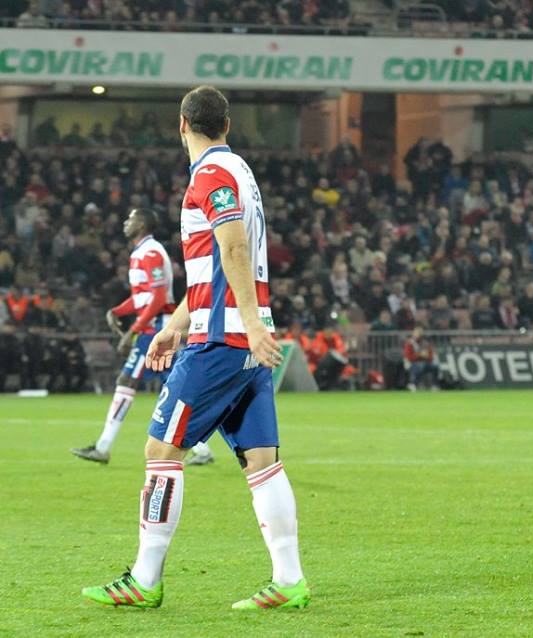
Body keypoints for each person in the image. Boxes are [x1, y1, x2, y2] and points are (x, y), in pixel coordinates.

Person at [82, 86, 309, 610]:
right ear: (226, 125)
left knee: (161, 450)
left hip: (224, 341)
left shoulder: (209, 177)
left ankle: (144, 580)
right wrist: (176, 324)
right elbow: (214, 269)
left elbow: (232, 246)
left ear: (181, 124)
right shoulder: (241, 173)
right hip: (234, 336)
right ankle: (289, 579)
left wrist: (247, 324)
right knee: (263, 462)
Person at [70, 208, 214, 466]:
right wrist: (118, 310)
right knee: (175, 387)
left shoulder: (151, 253)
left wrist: (133, 331)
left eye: (131, 218)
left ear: (143, 224)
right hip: (153, 328)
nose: (126, 222)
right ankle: (203, 448)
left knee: (127, 380)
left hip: (154, 330)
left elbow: (159, 299)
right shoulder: (141, 253)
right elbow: (142, 298)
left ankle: (103, 447)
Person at [403, 325, 438, 391]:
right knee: (420, 366)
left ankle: (434, 385)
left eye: (419, 333)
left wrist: (427, 356)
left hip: (424, 362)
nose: (418, 334)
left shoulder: (425, 343)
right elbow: (409, 357)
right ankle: (412, 383)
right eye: (417, 333)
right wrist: (419, 355)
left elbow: (431, 355)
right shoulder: (409, 343)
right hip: (411, 363)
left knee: (435, 367)